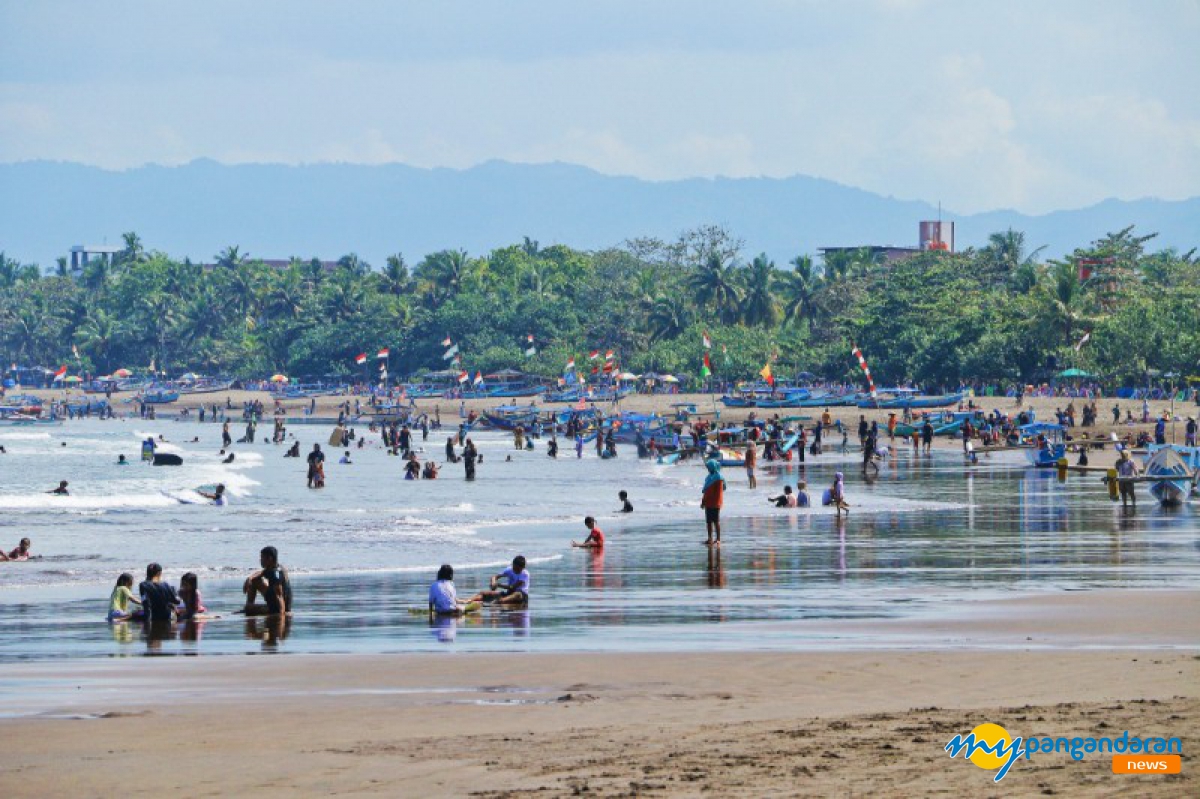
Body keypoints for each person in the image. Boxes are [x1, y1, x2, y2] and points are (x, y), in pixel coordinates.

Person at [242, 546, 292, 616]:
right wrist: (249, 578)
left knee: (248, 608)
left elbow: (279, 596)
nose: (260, 560)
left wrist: (280, 616)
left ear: (269, 558)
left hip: (277, 608)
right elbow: (262, 573)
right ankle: (249, 605)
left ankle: (249, 608)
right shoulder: (275, 567)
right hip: (273, 598)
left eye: (262, 557)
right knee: (255, 580)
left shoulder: (275, 575)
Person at [701, 459, 726, 547]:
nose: (708, 469)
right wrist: (703, 501)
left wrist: (705, 500)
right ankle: (710, 538)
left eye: (709, 467)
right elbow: (706, 491)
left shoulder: (719, 478)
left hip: (715, 503)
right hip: (708, 502)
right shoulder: (709, 477)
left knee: (716, 521)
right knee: (708, 522)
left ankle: (718, 539)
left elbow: (720, 491)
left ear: (713, 467)